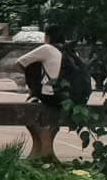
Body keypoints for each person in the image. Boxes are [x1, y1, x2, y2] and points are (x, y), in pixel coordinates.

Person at [14, 26, 86, 164]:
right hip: (69, 98)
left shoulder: (46, 49)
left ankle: (45, 154)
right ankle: (42, 152)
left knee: (33, 66)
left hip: (51, 96)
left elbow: (20, 62)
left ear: (47, 36)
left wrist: (33, 79)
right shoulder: (71, 51)